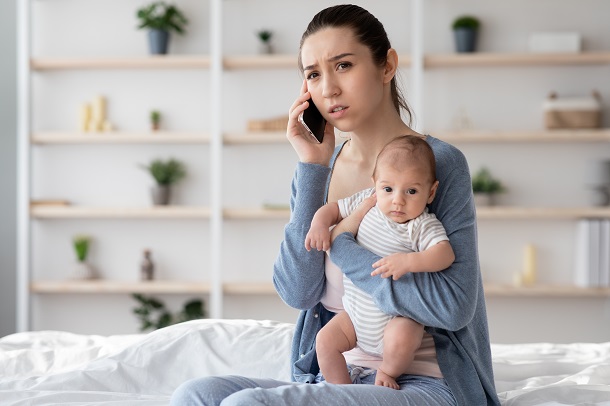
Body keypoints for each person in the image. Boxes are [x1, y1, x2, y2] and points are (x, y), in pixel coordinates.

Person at [171, 4, 500, 405]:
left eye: (342, 65)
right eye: (313, 74)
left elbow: (452, 307)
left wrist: (345, 249)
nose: (327, 88)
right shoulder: (319, 170)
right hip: (342, 373)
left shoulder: (438, 164)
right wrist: (311, 167)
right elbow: (298, 291)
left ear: (387, 65)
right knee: (195, 395)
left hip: (427, 383)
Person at [305, 135, 455, 390]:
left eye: (411, 191)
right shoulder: (368, 202)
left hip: (395, 316)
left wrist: (409, 262)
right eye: (388, 189)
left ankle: (387, 372)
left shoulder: (421, 225)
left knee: (405, 335)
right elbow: (331, 210)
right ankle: (343, 391)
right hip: (354, 315)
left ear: (431, 192)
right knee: (324, 341)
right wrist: (319, 225)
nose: (398, 200)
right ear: (375, 185)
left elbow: (445, 254)